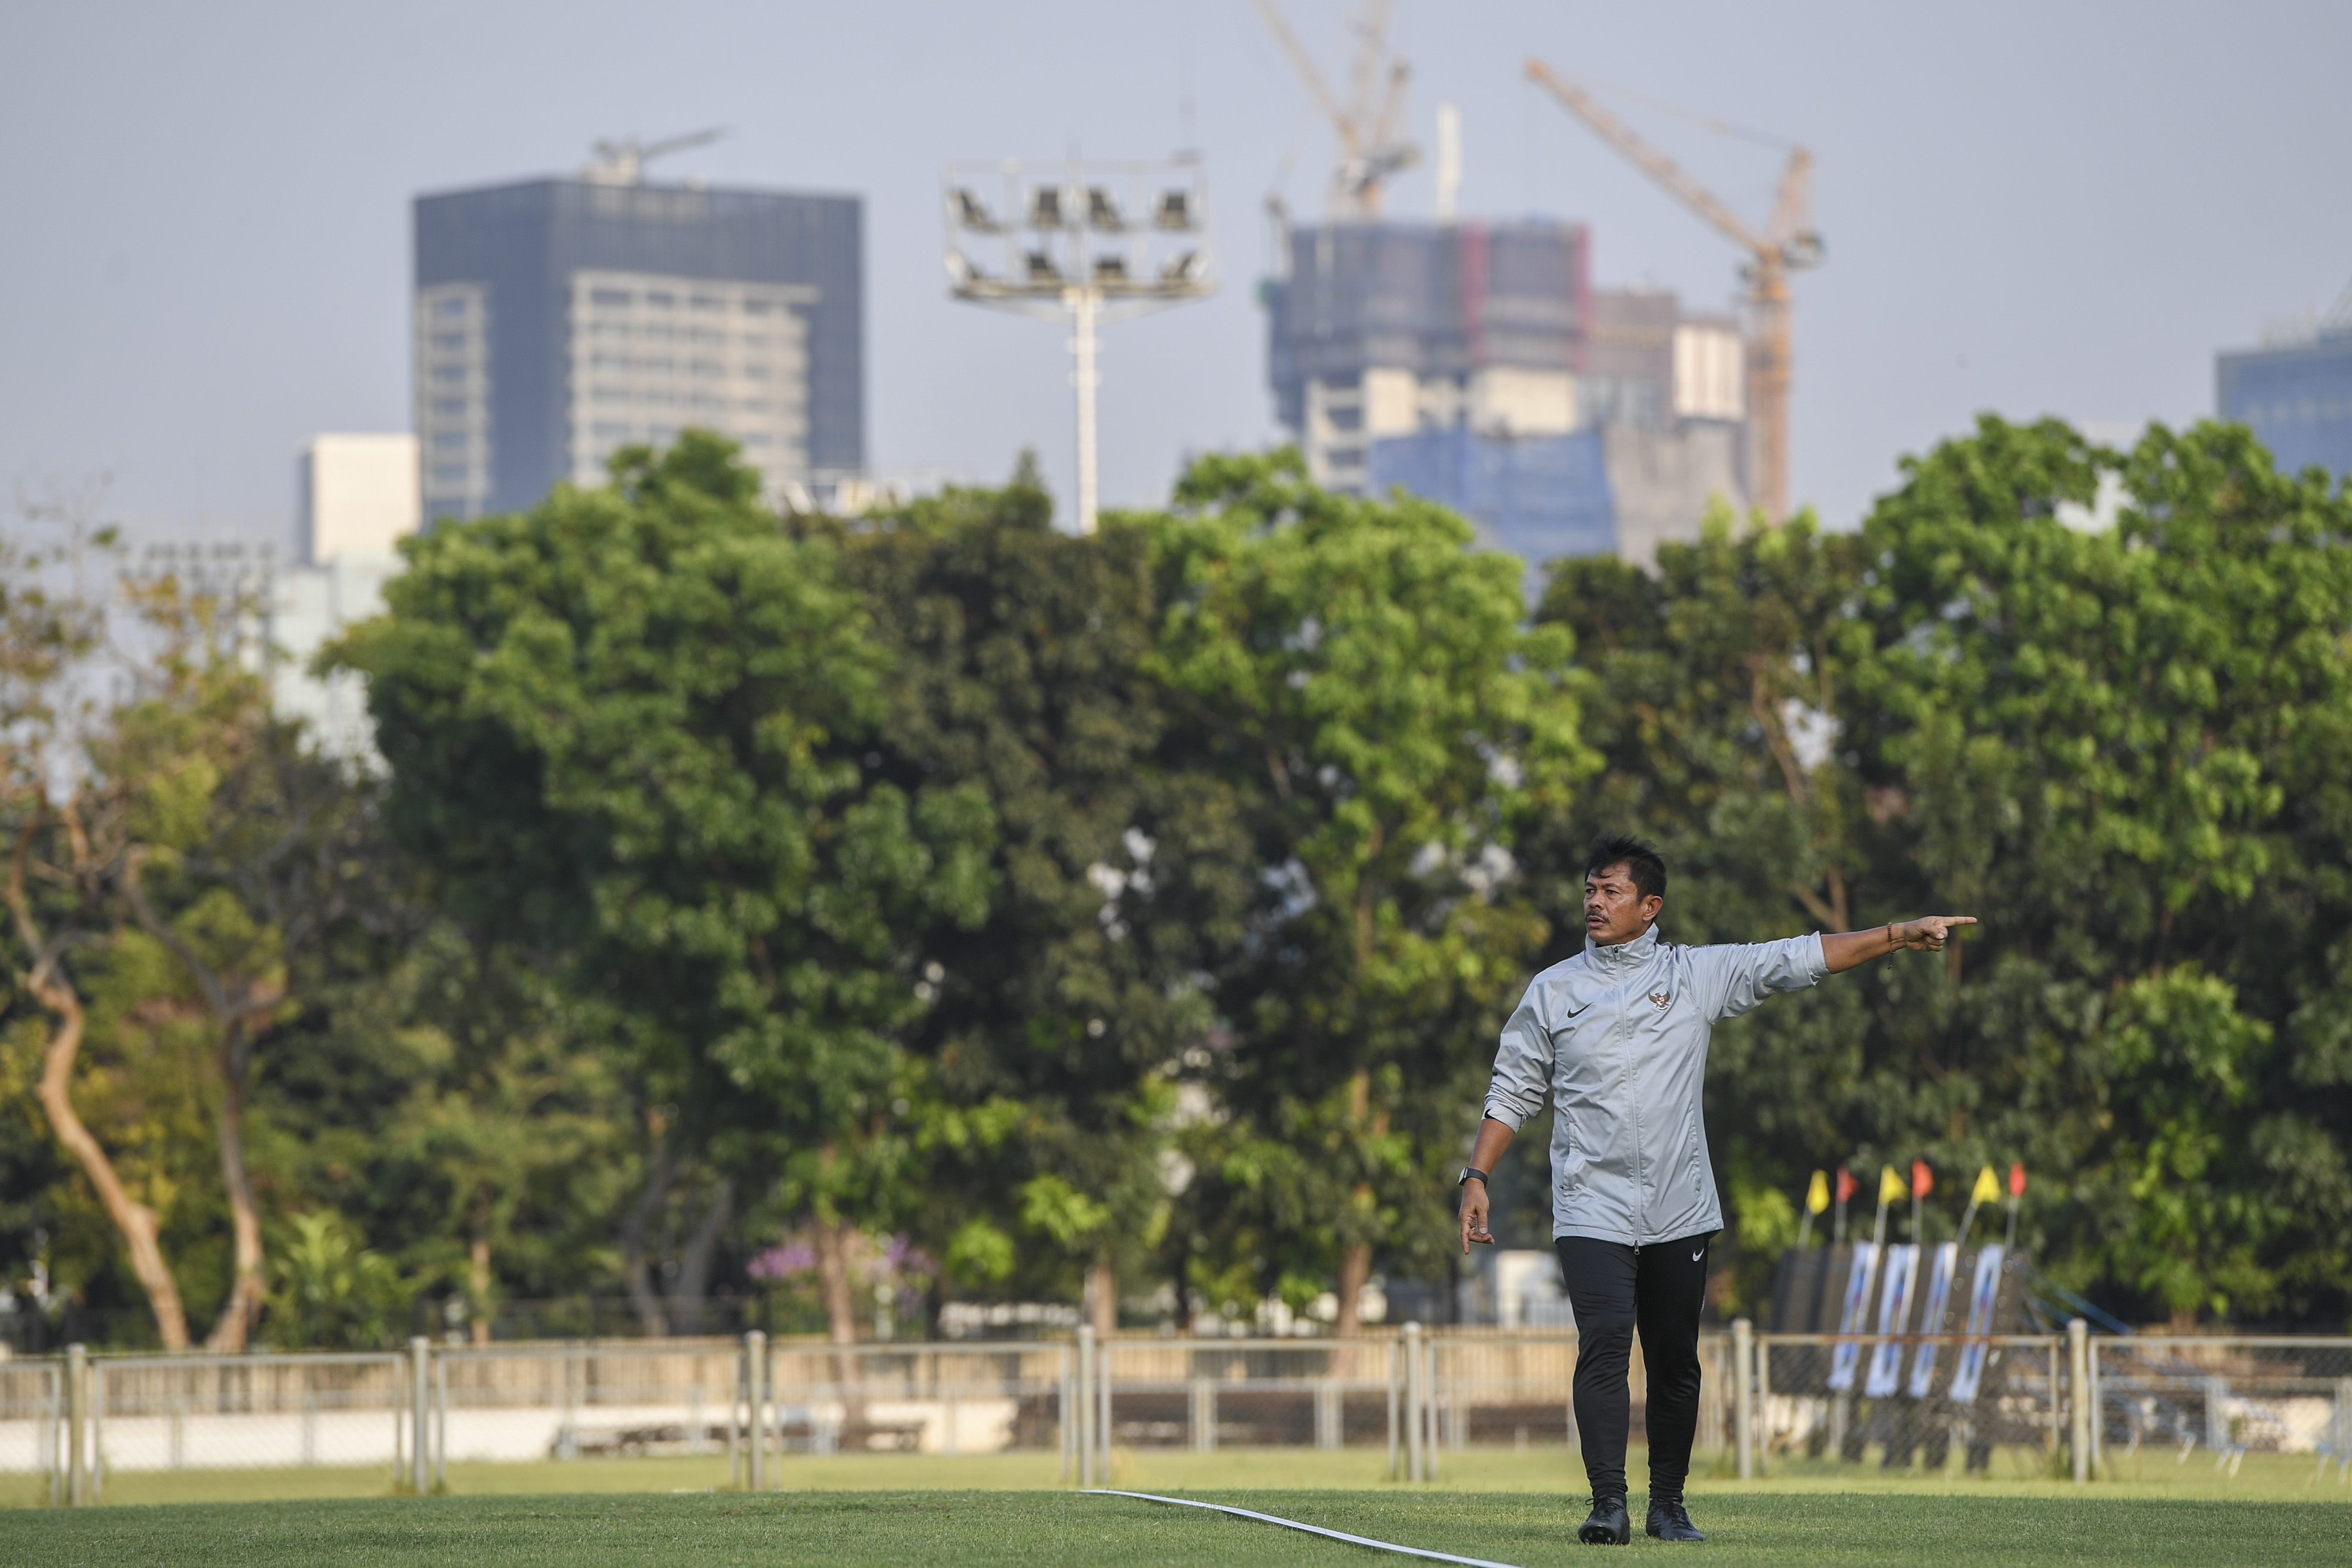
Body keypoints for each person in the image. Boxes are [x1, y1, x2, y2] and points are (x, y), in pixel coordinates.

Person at [1456, 834, 1973, 1545]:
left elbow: (1797, 958)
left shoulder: (1696, 975)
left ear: (1649, 907)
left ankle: (1668, 1506)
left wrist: (1895, 935)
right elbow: (1510, 1091)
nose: (1594, 903)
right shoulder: (1553, 989)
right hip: (1589, 1208)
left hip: (1679, 1207)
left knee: (1674, 1358)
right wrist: (1475, 1175)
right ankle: (1608, 1505)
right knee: (1603, 1343)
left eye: (1610, 892)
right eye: (1589, 891)